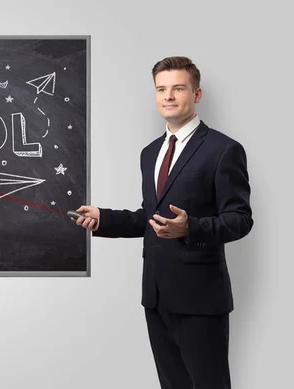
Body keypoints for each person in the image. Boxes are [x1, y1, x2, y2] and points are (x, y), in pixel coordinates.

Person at [74, 56, 253, 389]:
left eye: (178, 88)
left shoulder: (223, 150)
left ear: (196, 94)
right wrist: (104, 220)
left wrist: (192, 228)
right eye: (161, 89)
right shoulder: (150, 152)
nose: (168, 96)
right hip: (156, 295)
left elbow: (240, 220)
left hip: (200, 298)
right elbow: (149, 217)